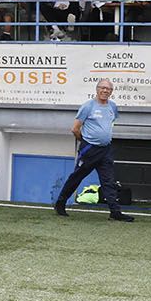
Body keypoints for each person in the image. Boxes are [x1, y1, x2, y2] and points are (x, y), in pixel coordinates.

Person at [51, 79, 133, 221]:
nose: (105, 91)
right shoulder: (88, 106)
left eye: (108, 89)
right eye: (103, 88)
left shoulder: (112, 106)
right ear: (97, 89)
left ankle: (115, 212)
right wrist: (86, 142)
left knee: (109, 181)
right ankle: (60, 203)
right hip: (89, 149)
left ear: (111, 92)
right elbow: (75, 129)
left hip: (105, 150)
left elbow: (109, 124)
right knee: (77, 177)